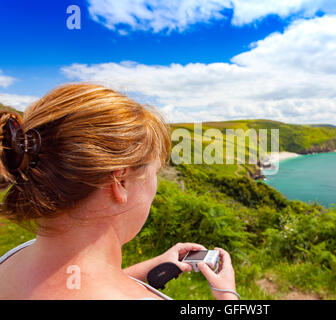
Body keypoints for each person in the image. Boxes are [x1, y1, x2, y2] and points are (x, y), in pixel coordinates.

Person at [0, 83, 238, 300]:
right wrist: (229, 298)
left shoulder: (15, 259)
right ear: (120, 182)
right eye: (155, 172)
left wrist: (147, 269)